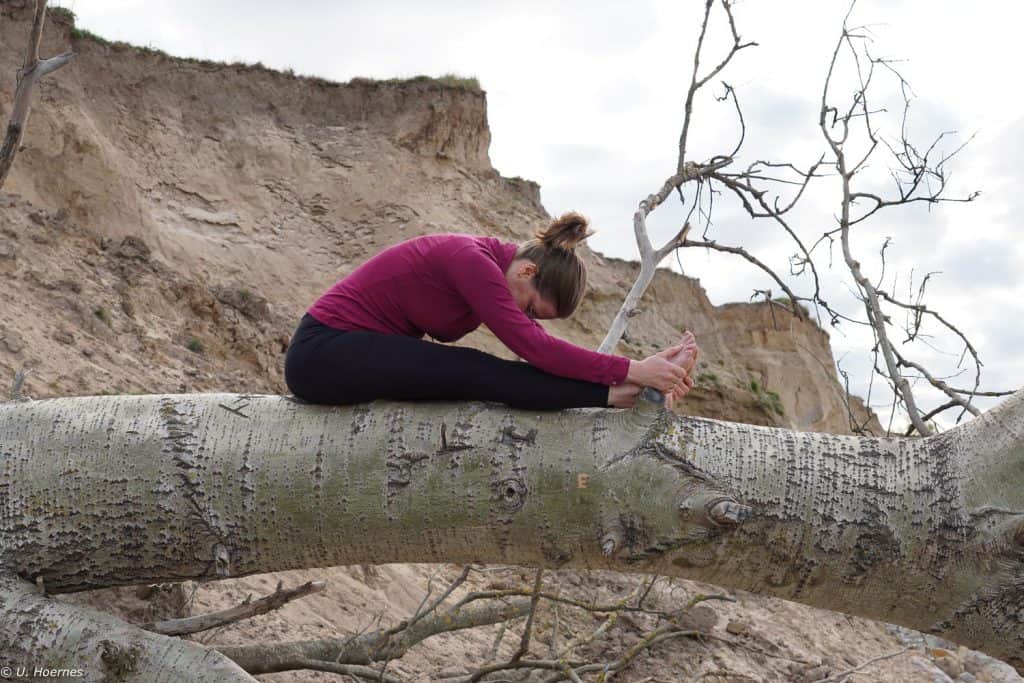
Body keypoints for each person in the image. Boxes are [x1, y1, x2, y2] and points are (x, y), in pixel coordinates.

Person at [285, 212, 698, 411]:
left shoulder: (493, 269)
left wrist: (631, 372)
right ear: (527, 270)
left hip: (352, 356)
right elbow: (538, 350)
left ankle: (624, 397)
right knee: (480, 372)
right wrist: (631, 368)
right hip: (321, 353)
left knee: (481, 373)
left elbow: (540, 348)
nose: (529, 319)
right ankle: (618, 396)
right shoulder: (471, 261)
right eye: (533, 308)